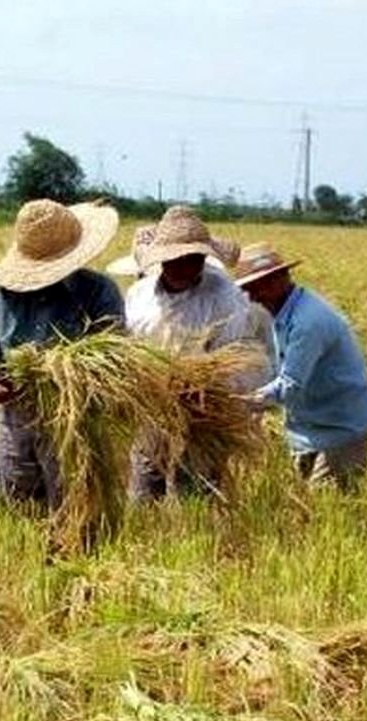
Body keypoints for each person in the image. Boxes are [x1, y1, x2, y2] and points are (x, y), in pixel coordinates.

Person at [0, 198, 124, 509]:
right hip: (18, 416)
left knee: (75, 508)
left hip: (76, 421)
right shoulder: (3, 293)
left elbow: (112, 353)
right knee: (16, 505)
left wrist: (65, 378)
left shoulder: (98, 292)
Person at [123, 206, 274, 500]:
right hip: (153, 407)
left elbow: (235, 359)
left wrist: (200, 387)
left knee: (194, 492)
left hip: (205, 412)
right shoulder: (139, 296)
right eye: (176, 259)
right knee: (144, 488)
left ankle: (195, 525)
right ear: (161, 259)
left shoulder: (225, 298)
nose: (185, 266)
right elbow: (130, 347)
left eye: (194, 259)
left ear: (205, 258)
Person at [234, 242, 367, 490]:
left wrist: (240, 403)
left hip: (342, 424)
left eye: (265, 283)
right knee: (309, 496)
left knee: (328, 502)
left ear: (284, 277)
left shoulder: (307, 322)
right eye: (251, 287)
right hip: (310, 424)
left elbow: (290, 385)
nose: (256, 293)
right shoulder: (280, 311)